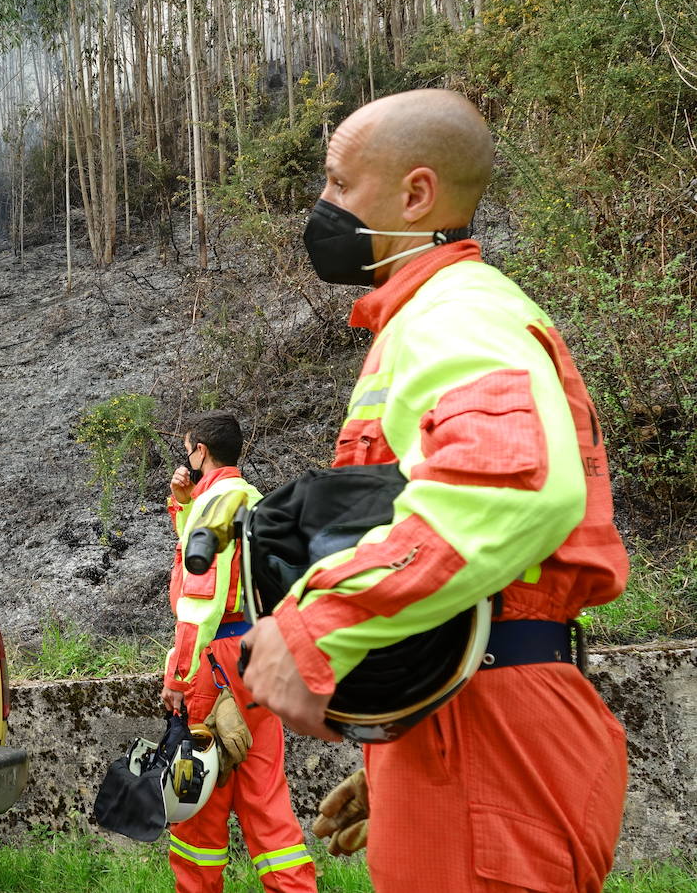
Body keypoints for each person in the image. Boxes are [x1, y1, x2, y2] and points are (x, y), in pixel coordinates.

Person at [241, 89, 630, 891]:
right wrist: (405, 746)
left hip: (492, 732)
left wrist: (318, 623)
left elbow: (513, 490)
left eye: (340, 184)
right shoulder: (428, 318)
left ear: (417, 194)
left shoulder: (457, 311)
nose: (324, 205)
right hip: (462, 726)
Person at [160, 412, 317, 893]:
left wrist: (179, 677)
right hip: (260, 652)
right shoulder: (249, 498)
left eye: (189, 450)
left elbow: (201, 598)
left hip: (214, 658)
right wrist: (184, 506)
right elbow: (230, 567)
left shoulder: (215, 505)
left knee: (199, 797)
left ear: (200, 452)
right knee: (266, 792)